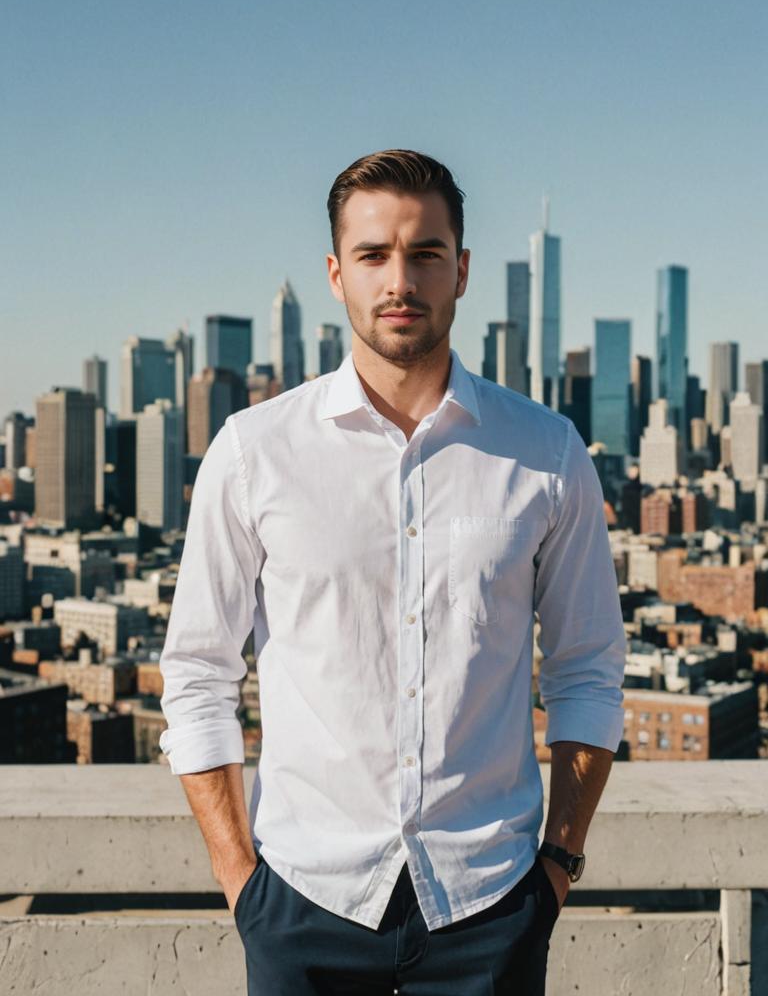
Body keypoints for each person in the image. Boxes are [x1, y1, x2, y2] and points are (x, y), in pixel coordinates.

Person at [159, 149, 626, 995]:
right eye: (374, 255)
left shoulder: (546, 452)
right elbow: (195, 674)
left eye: (425, 254)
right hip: (302, 905)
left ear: (463, 271)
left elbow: (588, 668)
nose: (399, 280)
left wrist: (556, 866)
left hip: (492, 907)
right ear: (337, 275)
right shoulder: (254, 453)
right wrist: (243, 885)